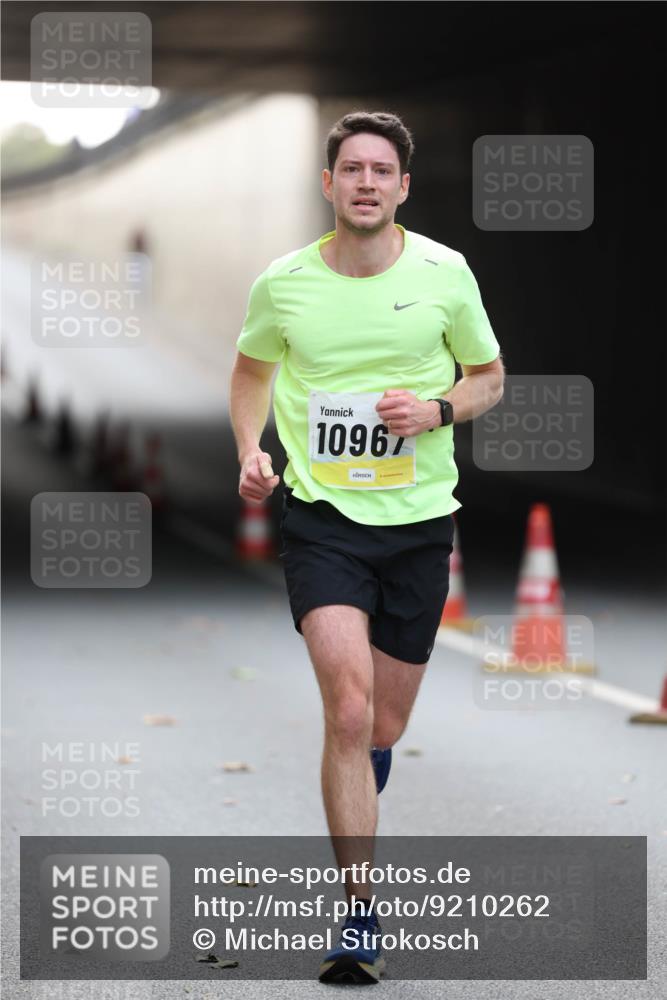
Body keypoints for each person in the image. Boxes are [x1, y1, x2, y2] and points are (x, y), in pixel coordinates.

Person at [230, 110, 504, 984]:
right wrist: (251, 449)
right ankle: (357, 915)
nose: (366, 183)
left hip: (420, 524)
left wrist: (436, 411)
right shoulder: (284, 283)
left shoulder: (444, 274)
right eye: (351, 168)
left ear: (402, 187)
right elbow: (250, 374)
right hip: (321, 520)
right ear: (329, 183)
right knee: (345, 712)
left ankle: (358, 778)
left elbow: (488, 378)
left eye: (381, 170)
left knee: (382, 723)